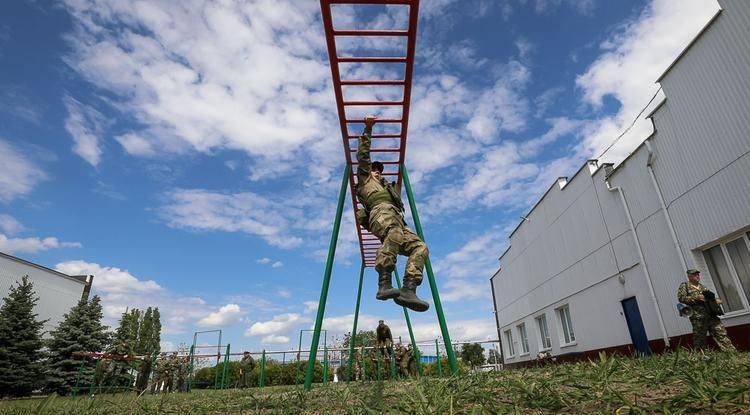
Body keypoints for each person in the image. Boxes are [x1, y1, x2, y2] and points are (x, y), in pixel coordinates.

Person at [356, 116, 430, 312]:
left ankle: (409, 289)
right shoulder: (364, 180)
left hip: (396, 217)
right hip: (379, 212)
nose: (377, 172)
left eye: (379, 170)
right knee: (394, 233)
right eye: (374, 170)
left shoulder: (388, 187)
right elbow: (363, 156)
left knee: (420, 247)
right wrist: (368, 129)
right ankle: (384, 284)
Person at [677, 268, 735, 351]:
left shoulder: (702, 287)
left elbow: (709, 298)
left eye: (698, 274)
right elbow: (681, 298)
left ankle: (731, 352)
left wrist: (716, 301)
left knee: (721, 333)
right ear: (689, 276)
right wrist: (695, 297)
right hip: (698, 317)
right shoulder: (685, 285)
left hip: (710, 315)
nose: (697, 276)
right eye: (694, 275)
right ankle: (701, 356)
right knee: (700, 339)